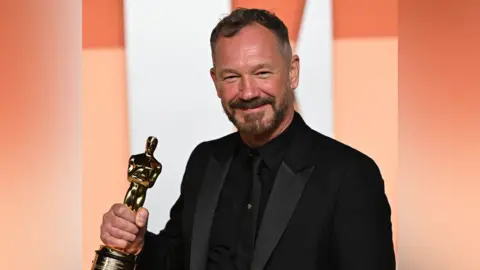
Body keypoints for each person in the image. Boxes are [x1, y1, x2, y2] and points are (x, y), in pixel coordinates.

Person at [99, 8, 396, 270]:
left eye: (262, 72)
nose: (248, 92)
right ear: (215, 82)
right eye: (231, 77)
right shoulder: (205, 161)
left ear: (292, 73)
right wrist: (137, 244)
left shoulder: (350, 175)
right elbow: (177, 260)